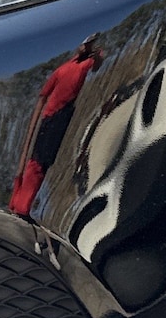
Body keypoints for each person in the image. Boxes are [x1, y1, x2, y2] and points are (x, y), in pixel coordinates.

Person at [9, 38, 103, 217]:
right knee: (39, 161)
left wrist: (98, 57)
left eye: (90, 44)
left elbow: (96, 66)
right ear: (80, 46)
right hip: (52, 117)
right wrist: (34, 124)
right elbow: (43, 95)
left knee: (43, 161)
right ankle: (21, 205)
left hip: (63, 115)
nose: (88, 46)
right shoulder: (63, 69)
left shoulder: (85, 63)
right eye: (86, 43)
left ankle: (21, 204)